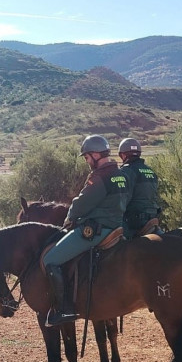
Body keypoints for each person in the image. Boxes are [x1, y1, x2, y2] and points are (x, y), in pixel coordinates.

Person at [42, 135, 129, 326]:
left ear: (96, 154)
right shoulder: (121, 175)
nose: (87, 162)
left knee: (50, 260)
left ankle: (65, 310)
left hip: (97, 231)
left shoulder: (99, 177)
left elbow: (81, 204)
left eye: (87, 157)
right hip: (118, 228)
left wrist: (70, 218)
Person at [118, 138, 162, 238]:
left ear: (123, 155)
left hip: (134, 222)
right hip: (152, 218)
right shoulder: (150, 171)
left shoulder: (126, 171)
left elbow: (123, 199)